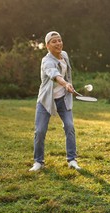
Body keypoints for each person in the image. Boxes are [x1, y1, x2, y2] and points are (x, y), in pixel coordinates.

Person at [29, 31, 81, 171]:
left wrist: (68, 85)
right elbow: (55, 74)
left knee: (69, 127)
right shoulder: (46, 61)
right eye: (54, 41)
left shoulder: (64, 55)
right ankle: (38, 162)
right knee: (40, 131)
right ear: (47, 46)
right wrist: (65, 84)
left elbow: (66, 73)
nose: (58, 43)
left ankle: (72, 160)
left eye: (59, 40)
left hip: (63, 99)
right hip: (46, 100)